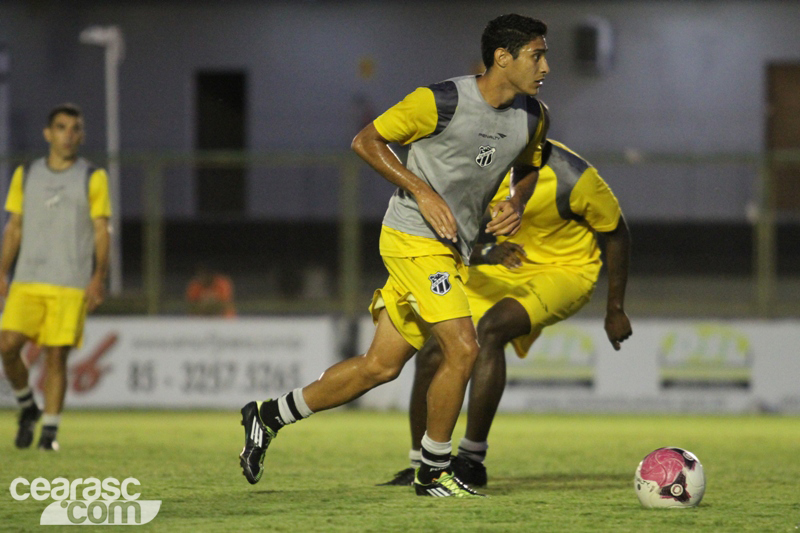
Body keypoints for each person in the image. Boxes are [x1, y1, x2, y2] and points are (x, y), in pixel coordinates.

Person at [238, 13, 550, 497]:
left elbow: (531, 165)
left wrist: (517, 201)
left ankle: (267, 415)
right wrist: (421, 191)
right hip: (412, 237)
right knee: (463, 349)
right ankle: (432, 470)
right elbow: (366, 141)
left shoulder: (533, 116)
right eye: (537, 54)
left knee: (380, 367)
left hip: (452, 250)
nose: (545, 65)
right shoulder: (439, 101)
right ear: (502, 58)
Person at [379, 139, 632, 487]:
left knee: (490, 330)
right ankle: (423, 463)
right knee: (434, 348)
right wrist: (483, 254)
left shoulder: (576, 178)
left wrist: (615, 308)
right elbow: (452, 223)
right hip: (504, 262)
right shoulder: (482, 159)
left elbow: (617, 233)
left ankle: (471, 459)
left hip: (565, 269)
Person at [0, 103, 111, 451]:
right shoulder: (27, 174)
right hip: (28, 278)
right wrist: (1, 270)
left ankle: (49, 434)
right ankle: (26, 406)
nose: (68, 134)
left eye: (74, 128)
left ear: (81, 135)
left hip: (69, 282)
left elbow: (101, 230)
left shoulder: (93, 177)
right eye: (61, 127)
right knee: (6, 345)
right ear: (48, 134)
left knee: (55, 357)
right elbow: (14, 228)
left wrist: (98, 276)